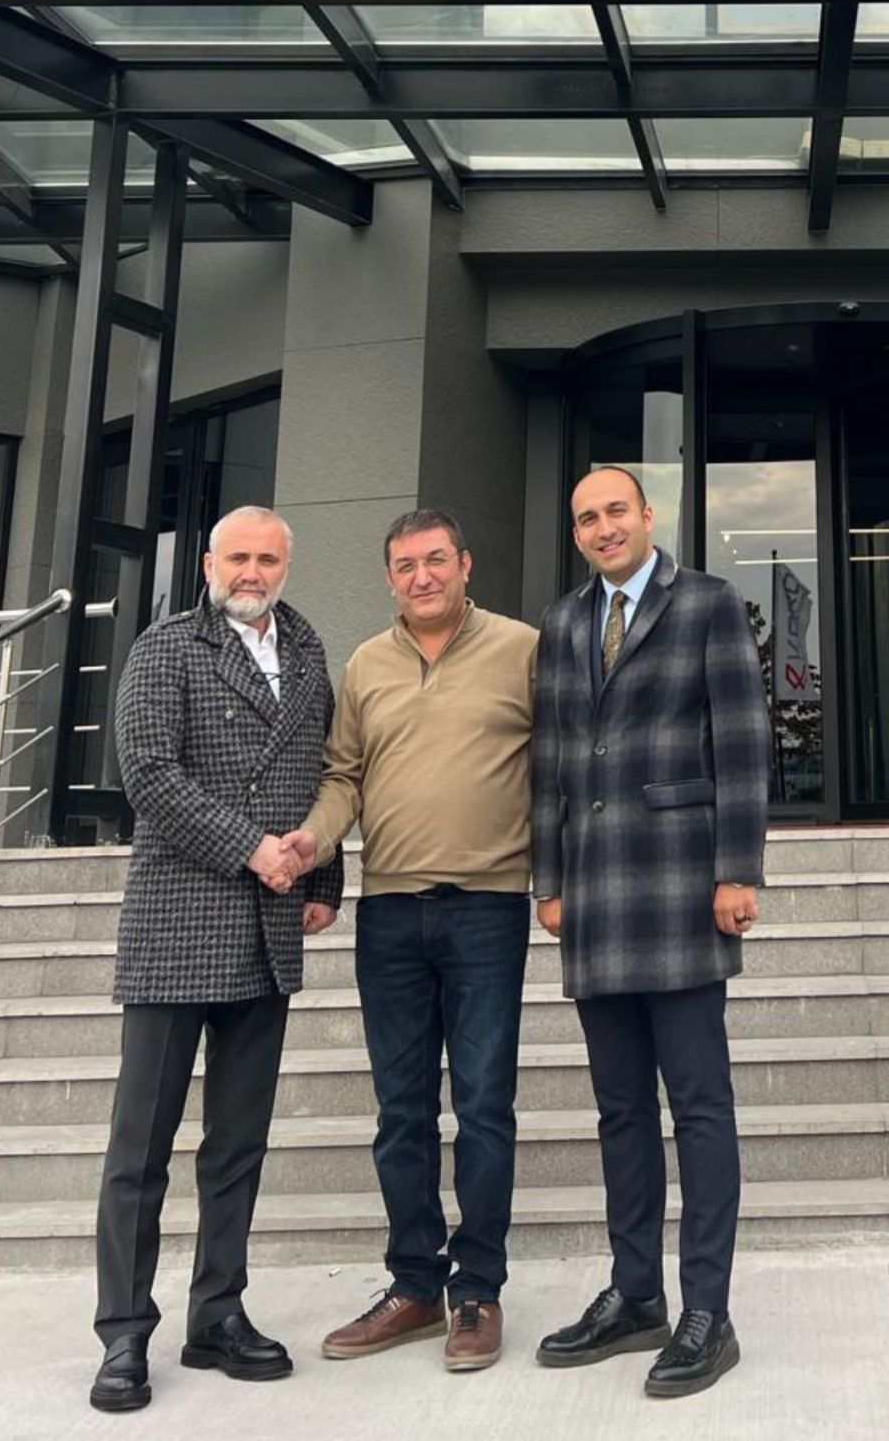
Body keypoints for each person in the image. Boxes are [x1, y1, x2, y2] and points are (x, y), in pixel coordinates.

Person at [90, 506, 342, 1413]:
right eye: (238, 556)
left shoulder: (309, 652)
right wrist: (252, 849)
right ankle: (124, 1332)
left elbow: (320, 771)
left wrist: (323, 877)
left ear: (286, 564)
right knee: (142, 1148)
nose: (252, 571)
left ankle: (218, 1315)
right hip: (176, 925)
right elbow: (149, 775)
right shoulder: (165, 647)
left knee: (237, 1145)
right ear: (208, 563)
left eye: (268, 557)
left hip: (269, 928)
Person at [530, 465, 770, 1399]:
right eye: (586, 517)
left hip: (679, 882)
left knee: (699, 1107)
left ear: (647, 515)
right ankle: (636, 1297)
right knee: (620, 1109)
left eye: (615, 511)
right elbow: (552, 755)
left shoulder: (707, 603)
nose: (603, 528)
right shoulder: (561, 622)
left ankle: (708, 1310)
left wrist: (738, 869)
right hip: (594, 891)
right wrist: (549, 879)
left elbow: (742, 741)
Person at [286, 509, 539, 1372]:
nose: (422, 576)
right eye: (405, 565)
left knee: (484, 1107)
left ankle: (478, 1292)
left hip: (488, 908)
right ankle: (415, 1286)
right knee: (401, 1111)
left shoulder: (521, 649)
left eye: (436, 560)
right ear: (389, 578)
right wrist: (313, 842)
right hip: (391, 912)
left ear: (466, 564)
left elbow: (561, 768)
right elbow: (343, 776)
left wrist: (558, 879)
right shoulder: (366, 663)